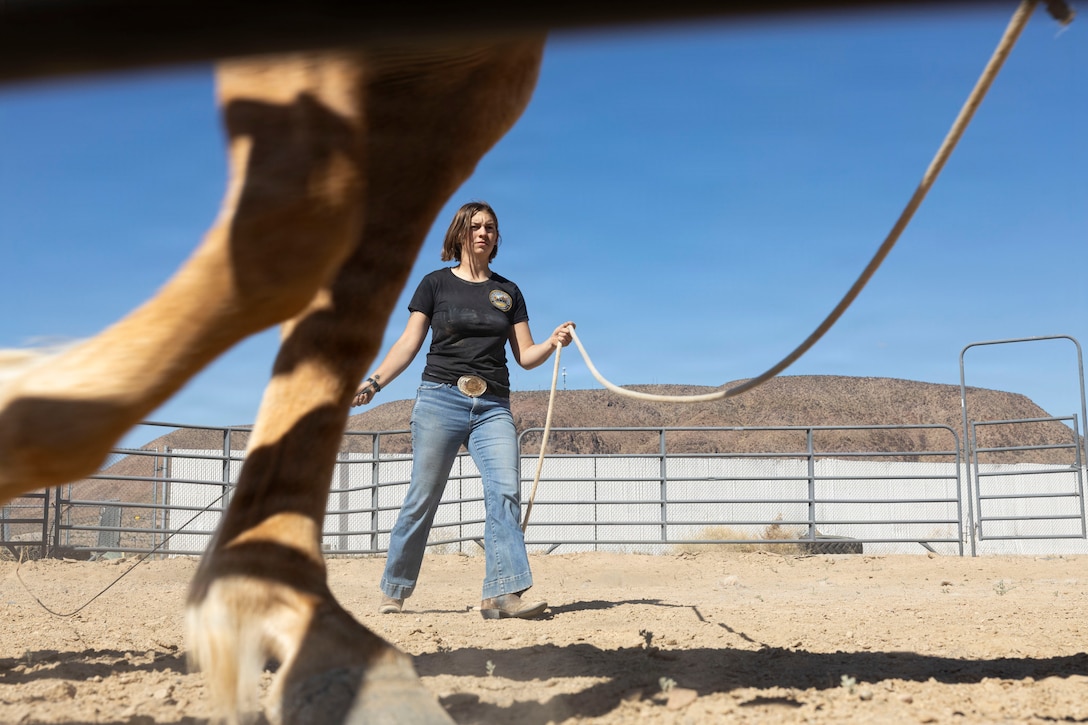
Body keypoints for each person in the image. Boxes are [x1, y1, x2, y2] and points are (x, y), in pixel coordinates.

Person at [352, 200, 575, 620]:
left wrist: (552, 342)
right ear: (459, 235)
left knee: (504, 491)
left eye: (490, 227)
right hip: (440, 398)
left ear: (496, 238)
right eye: (474, 227)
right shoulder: (435, 284)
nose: (483, 233)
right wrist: (374, 381)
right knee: (424, 495)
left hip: (492, 405)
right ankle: (395, 589)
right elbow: (408, 343)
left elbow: (525, 356)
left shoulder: (508, 292)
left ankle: (502, 594)